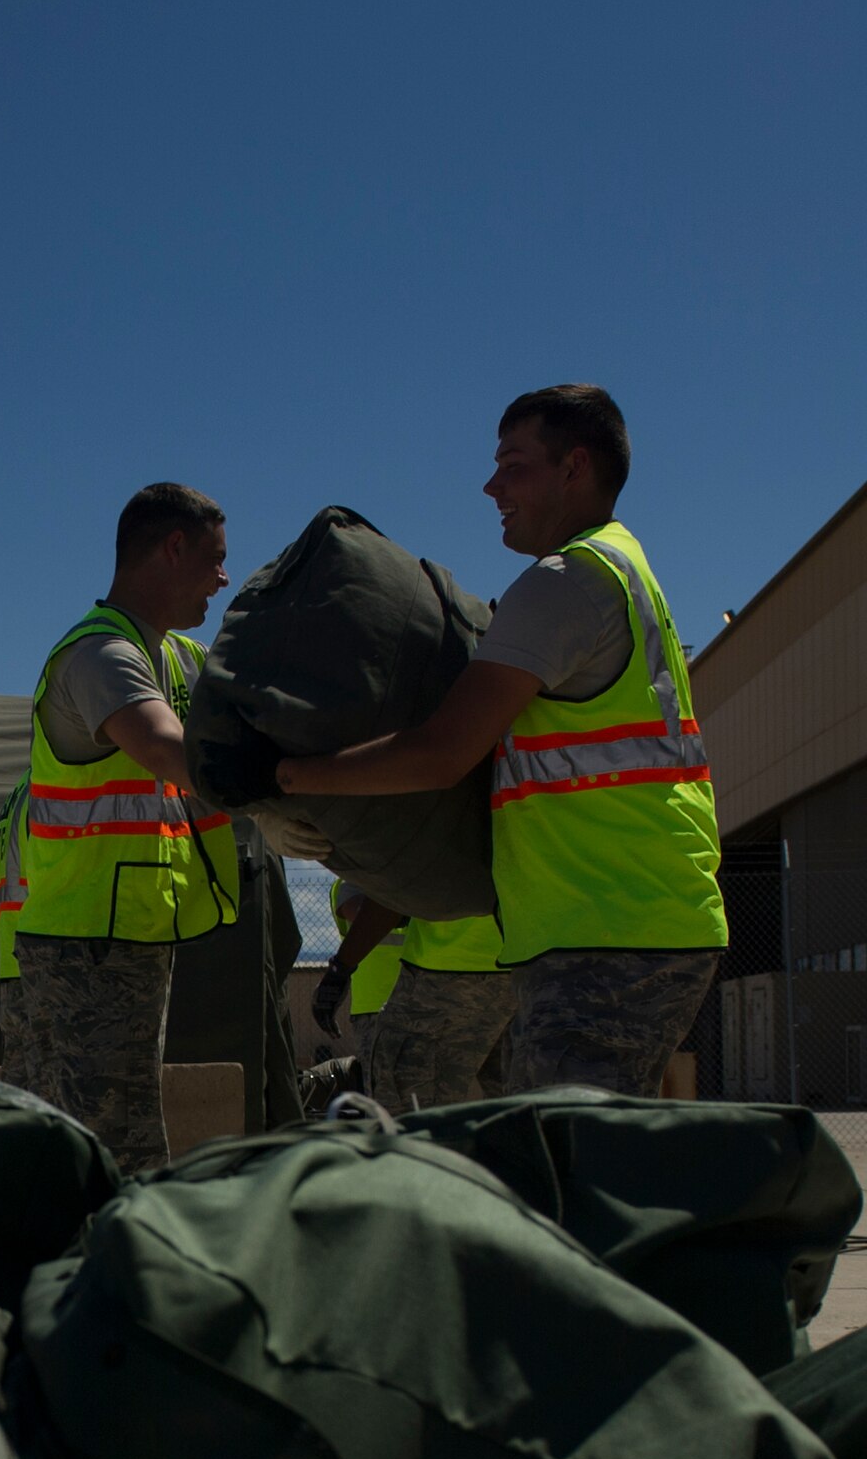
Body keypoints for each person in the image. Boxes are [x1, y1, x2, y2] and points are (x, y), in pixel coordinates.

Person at [252, 384, 726, 1097]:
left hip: (607, 931)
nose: (490, 485)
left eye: (513, 464)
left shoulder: (565, 583)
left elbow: (441, 753)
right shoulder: (621, 570)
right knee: (567, 1165)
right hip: (624, 920)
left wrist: (286, 778)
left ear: (573, 467)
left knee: (565, 1170)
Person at [12, 483, 239, 1173]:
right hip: (88, 939)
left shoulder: (174, 657)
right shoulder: (100, 654)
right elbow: (171, 752)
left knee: (109, 1124)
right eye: (215, 559)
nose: (223, 579)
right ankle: (110, 1271)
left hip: (127, 932)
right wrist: (296, 784)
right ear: (173, 547)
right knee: (117, 1140)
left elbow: (246, 706)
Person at [315, 898, 514, 1112]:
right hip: (524, 966)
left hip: (441, 973)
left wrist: (340, 969)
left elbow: (390, 897)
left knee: (408, 1107)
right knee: (522, 1100)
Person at [316, 880, 407, 1073]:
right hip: (375, 1009)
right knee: (383, 1087)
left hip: (421, 1000)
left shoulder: (413, 882)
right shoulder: (350, 885)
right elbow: (367, 917)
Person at [0, 768, 31, 1091]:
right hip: (44, 966)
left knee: (20, 1088)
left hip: (13, 962)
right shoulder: (46, 792)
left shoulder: (18, 792)